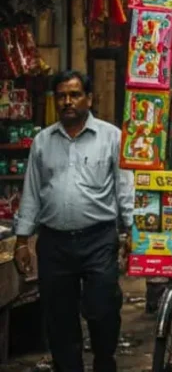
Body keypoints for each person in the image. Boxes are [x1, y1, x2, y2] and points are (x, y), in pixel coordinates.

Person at [15, 71, 133, 372]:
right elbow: (31, 192)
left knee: (102, 309)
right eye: (62, 96)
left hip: (99, 239)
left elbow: (124, 188)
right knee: (59, 317)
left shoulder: (111, 137)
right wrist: (22, 240)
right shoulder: (42, 142)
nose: (67, 101)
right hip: (54, 242)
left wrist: (131, 231)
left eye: (74, 94)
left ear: (89, 99)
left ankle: (104, 361)